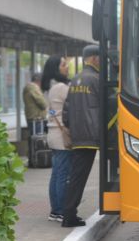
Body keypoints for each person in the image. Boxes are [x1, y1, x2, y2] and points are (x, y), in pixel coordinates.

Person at [61, 45, 101, 227]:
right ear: (94, 59)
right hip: (91, 136)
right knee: (79, 177)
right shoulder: (96, 79)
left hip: (78, 135)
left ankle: (69, 213)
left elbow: (66, 111)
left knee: (76, 176)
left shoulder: (76, 79)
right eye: (100, 58)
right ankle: (69, 215)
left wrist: (72, 128)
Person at [42, 55, 72, 222]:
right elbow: (74, 104)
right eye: (63, 64)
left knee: (56, 173)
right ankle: (60, 210)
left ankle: (55, 210)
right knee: (62, 174)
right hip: (62, 136)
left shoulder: (48, 87)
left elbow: (52, 111)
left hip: (53, 133)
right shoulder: (61, 87)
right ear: (56, 68)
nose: (66, 66)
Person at [22, 72, 47, 137]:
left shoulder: (28, 87)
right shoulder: (33, 87)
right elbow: (43, 103)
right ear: (39, 80)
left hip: (33, 119)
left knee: (34, 139)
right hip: (36, 119)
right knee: (38, 140)